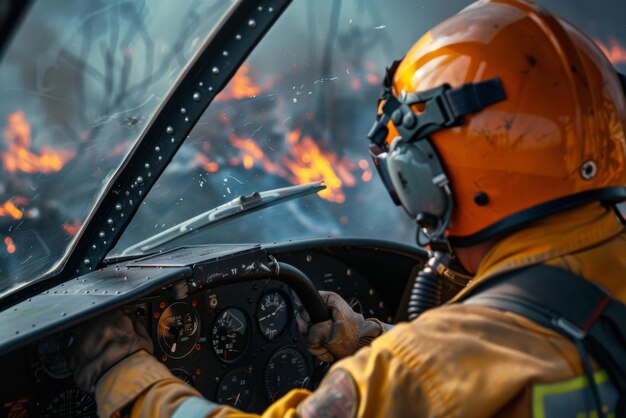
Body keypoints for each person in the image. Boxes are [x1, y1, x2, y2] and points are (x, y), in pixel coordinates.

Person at [69, 0, 626, 416]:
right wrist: (367, 342)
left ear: (425, 176)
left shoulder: (426, 368)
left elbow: (452, 371)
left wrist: (126, 375)